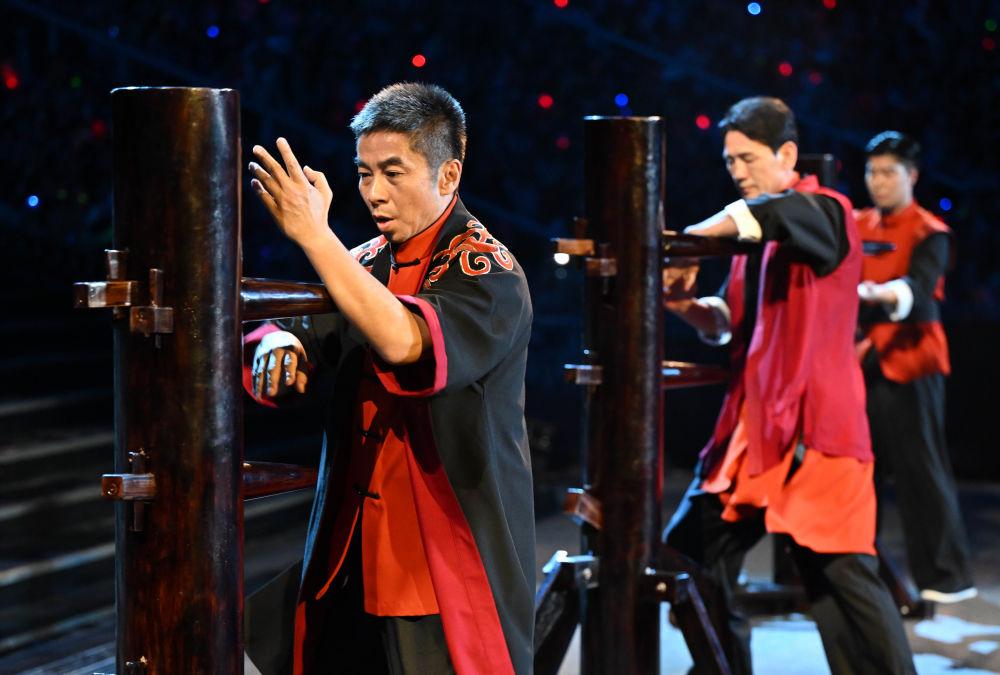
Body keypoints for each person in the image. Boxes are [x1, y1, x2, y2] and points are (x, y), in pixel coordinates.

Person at [242, 83, 534, 675]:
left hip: (440, 560)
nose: (374, 192)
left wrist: (315, 235)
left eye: (393, 173)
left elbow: (405, 342)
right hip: (351, 551)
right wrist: (277, 344)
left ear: (448, 174)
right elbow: (296, 331)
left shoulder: (489, 270)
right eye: (364, 173)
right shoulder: (365, 261)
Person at [659, 97, 915, 674]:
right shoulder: (754, 243)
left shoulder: (827, 211)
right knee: (690, 556)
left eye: (748, 158)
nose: (737, 171)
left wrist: (688, 239)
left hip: (816, 433)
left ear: (788, 155)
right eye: (730, 161)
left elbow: (770, 213)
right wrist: (680, 302)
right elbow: (728, 319)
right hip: (754, 438)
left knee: (842, 579)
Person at [856, 130, 975, 603]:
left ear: (912, 176)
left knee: (921, 470)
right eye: (873, 172)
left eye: (889, 172)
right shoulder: (857, 224)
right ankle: (862, 575)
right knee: (859, 471)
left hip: (912, 361)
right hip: (861, 361)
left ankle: (944, 579)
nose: (879, 182)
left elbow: (920, 287)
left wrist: (879, 294)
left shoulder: (930, 231)